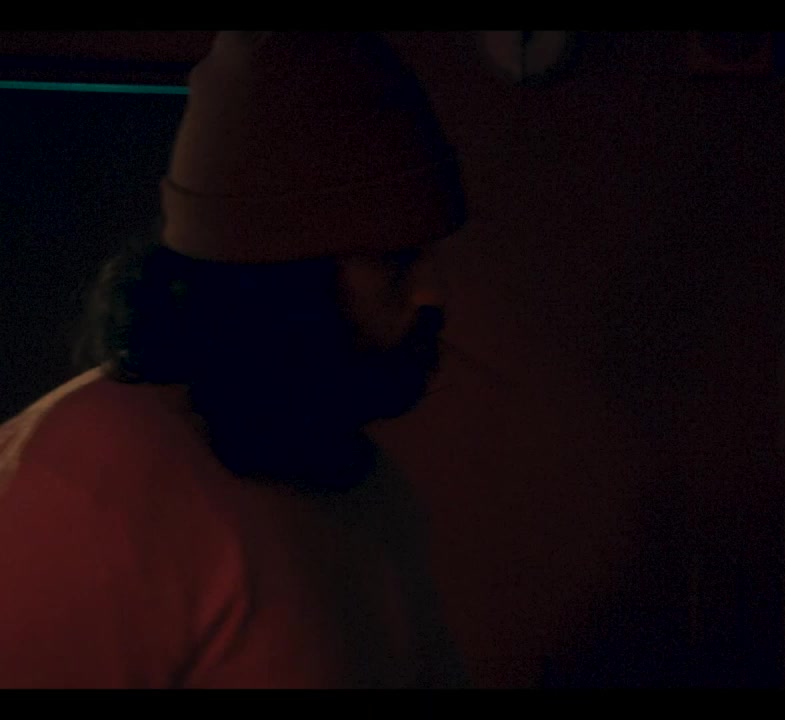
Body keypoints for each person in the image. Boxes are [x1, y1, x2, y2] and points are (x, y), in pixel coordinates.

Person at [0, 31, 468, 688]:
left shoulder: (359, 479)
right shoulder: (87, 484)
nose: (431, 292)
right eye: (394, 261)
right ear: (276, 278)